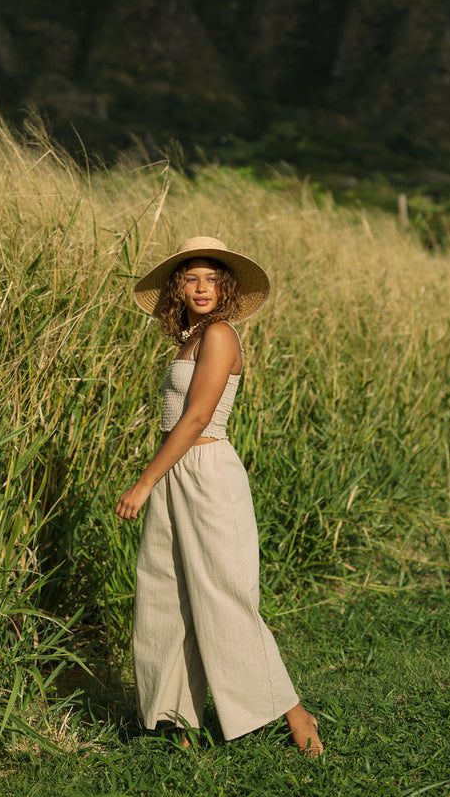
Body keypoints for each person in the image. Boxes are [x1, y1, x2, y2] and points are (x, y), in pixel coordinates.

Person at [116, 236, 322, 756]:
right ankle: (179, 722)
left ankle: (294, 713)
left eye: (211, 278)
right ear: (177, 289)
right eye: (191, 278)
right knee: (168, 592)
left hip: (207, 471)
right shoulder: (188, 340)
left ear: (225, 287)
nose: (202, 287)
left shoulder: (222, 336)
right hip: (175, 472)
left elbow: (198, 417)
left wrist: (143, 481)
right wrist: (160, 479)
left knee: (225, 598)